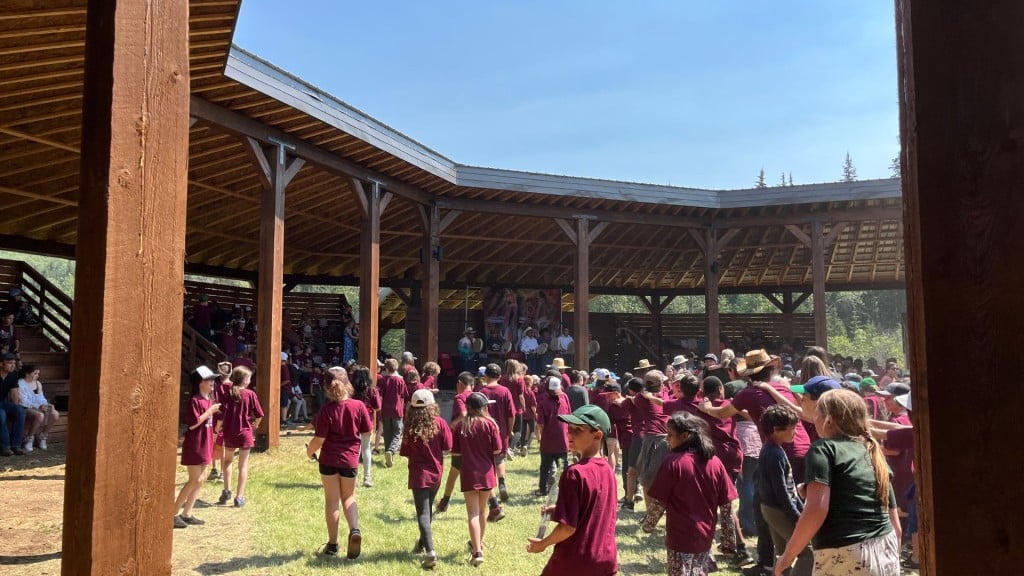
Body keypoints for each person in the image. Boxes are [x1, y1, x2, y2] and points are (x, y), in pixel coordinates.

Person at [773, 389, 901, 576]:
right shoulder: (872, 450)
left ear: (829, 420)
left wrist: (788, 556)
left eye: (817, 412)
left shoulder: (823, 449)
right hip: (885, 548)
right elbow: (894, 521)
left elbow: (817, 509)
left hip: (846, 551)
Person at [527, 405, 619, 576]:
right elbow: (597, 509)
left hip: (575, 561)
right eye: (570, 429)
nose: (570, 434)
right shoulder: (608, 470)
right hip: (605, 558)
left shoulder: (575, 472)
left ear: (597, 435)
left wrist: (543, 544)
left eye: (578, 430)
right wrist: (559, 510)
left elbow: (567, 528)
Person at [642, 412, 737, 576]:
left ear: (685, 436)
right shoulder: (715, 462)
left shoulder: (673, 463)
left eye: (670, 435)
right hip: (705, 535)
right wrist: (729, 539)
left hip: (680, 536)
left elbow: (659, 502)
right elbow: (727, 506)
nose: (667, 439)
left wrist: (648, 525)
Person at [306, 372, 374, 559]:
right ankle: (354, 530)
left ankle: (333, 544)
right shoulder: (359, 406)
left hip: (328, 460)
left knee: (332, 501)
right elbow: (368, 431)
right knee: (349, 497)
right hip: (350, 460)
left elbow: (319, 439)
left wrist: (309, 452)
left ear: (327, 388)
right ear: (348, 384)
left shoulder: (326, 410)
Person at [756, 405, 812, 576]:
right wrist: (796, 516)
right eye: (791, 428)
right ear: (776, 429)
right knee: (807, 553)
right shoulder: (774, 454)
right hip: (778, 510)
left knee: (781, 552)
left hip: (772, 508)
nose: (795, 432)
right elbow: (782, 491)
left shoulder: (775, 449)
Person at [400, 389, 453, 570]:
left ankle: (430, 552)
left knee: (423, 512)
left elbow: (405, 451)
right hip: (436, 473)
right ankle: (422, 543)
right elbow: (448, 446)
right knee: (427, 510)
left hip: (418, 474)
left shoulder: (410, 426)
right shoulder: (440, 423)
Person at [451, 392, 502, 567]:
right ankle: (478, 544)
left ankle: (477, 550)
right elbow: (497, 450)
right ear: (483, 408)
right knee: (482, 512)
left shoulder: (460, 427)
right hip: (487, 473)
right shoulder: (490, 425)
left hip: (468, 473)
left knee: (472, 513)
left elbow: (455, 452)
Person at [173, 366, 221, 529]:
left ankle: (187, 513)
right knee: (194, 480)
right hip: (195, 444)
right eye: (209, 380)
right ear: (200, 382)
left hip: (205, 443)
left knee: (200, 481)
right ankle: (172, 513)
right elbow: (193, 424)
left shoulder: (209, 399)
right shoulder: (195, 400)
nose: (212, 382)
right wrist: (210, 411)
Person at [216, 366, 264, 508]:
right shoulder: (250, 394)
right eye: (249, 378)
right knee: (243, 465)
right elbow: (260, 414)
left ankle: (226, 490)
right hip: (245, 432)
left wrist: (217, 429)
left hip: (229, 431)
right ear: (244, 380)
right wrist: (255, 425)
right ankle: (239, 496)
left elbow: (222, 414)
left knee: (227, 461)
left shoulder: (228, 394)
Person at [477, 363, 515, 519]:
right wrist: (509, 430)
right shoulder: (505, 391)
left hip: (485, 433)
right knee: (500, 459)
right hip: (502, 431)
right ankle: (501, 482)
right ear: (500, 376)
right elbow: (511, 414)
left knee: (487, 464)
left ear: (485, 376)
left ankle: (491, 494)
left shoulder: (481, 392)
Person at [436, 371, 475, 513]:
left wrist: (453, 423)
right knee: (477, 470)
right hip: (478, 438)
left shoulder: (460, 397)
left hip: (462, 439)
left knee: (454, 470)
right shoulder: (479, 396)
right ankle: (494, 504)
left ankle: (444, 501)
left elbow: (463, 414)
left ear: (459, 384)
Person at [536, 375, 571, 496]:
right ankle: (565, 489)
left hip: (548, 441)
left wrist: (541, 437)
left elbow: (540, 424)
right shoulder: (564, 397)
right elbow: (569, 416)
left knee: (545, 468)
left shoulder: (543, 403)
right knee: (563, 467)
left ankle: (543, 489)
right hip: (563, 440)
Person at [349, 365, 380, 487]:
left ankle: (354, 478)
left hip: (353, 421)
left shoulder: (350, 390)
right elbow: (378, 407)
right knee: (366, 448)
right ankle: (367, 478)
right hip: (367, 421)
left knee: (354, 449)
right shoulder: (372, 390)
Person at [16, 364, 59, 451]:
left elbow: (41, 398)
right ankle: (30, 438)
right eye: (35, 373)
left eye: (38, 373)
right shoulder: (20, 383)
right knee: (40, 416)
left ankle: (43, 436)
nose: (37, 375)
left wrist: (46, 405)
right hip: (26, 407)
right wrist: (38, 406)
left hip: (38, 406)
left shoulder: (38, 383)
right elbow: (23, 401)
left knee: (55, 414)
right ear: (27, 374)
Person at [379, 358, 409, 468]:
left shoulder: (383, 380)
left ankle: (388, 455)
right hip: (397, 410)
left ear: (386, 368)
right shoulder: (400, 380)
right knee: (397, 432)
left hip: (385, 410)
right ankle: (391, 451)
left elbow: (380, 396)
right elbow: (404, 395)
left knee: (387, 433)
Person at [0, 352, 27, 456]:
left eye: (14, 363)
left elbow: (14, 392)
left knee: (20, 411)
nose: (13, 365)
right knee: (1, 414)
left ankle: (16, 446)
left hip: (2, 403)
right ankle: (5, 447)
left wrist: (16, 408)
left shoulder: (13, 374)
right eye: (10, 363)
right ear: (1, 364)